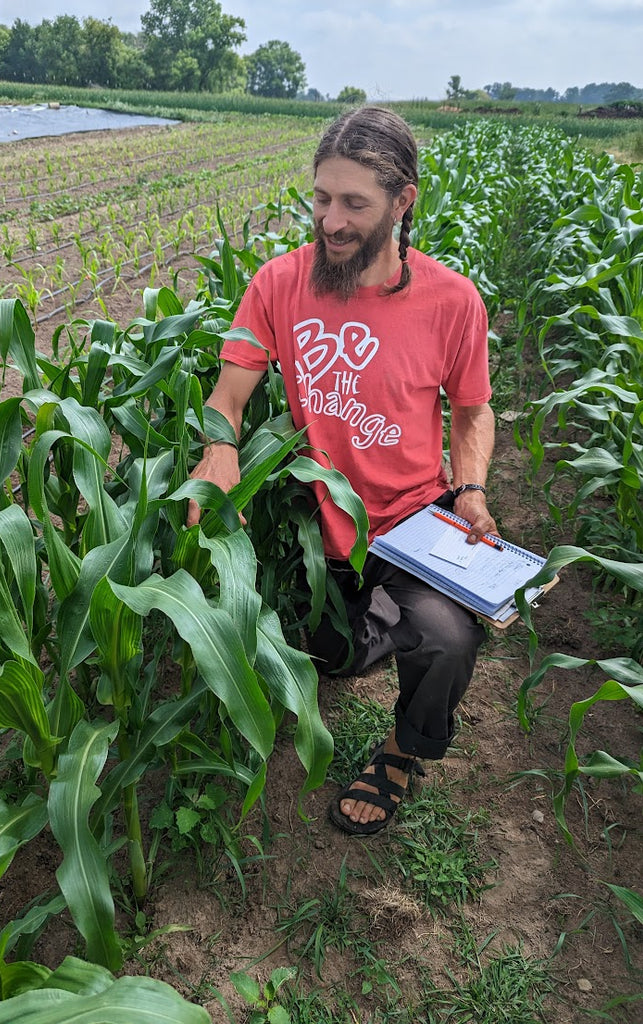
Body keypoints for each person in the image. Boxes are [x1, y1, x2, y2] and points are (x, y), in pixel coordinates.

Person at [186, 106, 498, 836]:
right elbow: (228, 394)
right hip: (312, 528)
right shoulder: (277, 283)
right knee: (332, 657)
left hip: (410, 526)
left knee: (447, 640)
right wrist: (219, 446)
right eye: (322, 198)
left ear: (402, 202)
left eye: (354, 203)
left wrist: (474, 488)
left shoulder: (452, 302)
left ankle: (400, 751)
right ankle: (351, 639)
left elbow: (473, 409)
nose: (330, 220)